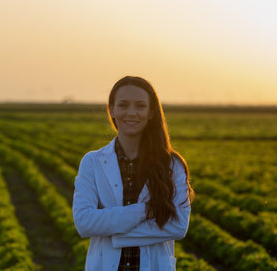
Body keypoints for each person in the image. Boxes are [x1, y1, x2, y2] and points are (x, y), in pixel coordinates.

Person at [73, 76, 194, 271]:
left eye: (140, 106)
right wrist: (146, 210)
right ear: (112, 110)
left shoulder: (172, 164)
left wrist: (115, 235)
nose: (131, 113)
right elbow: (84, 222)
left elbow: (178, 226)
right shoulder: (92, 162)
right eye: (123, 105)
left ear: (151, 112)